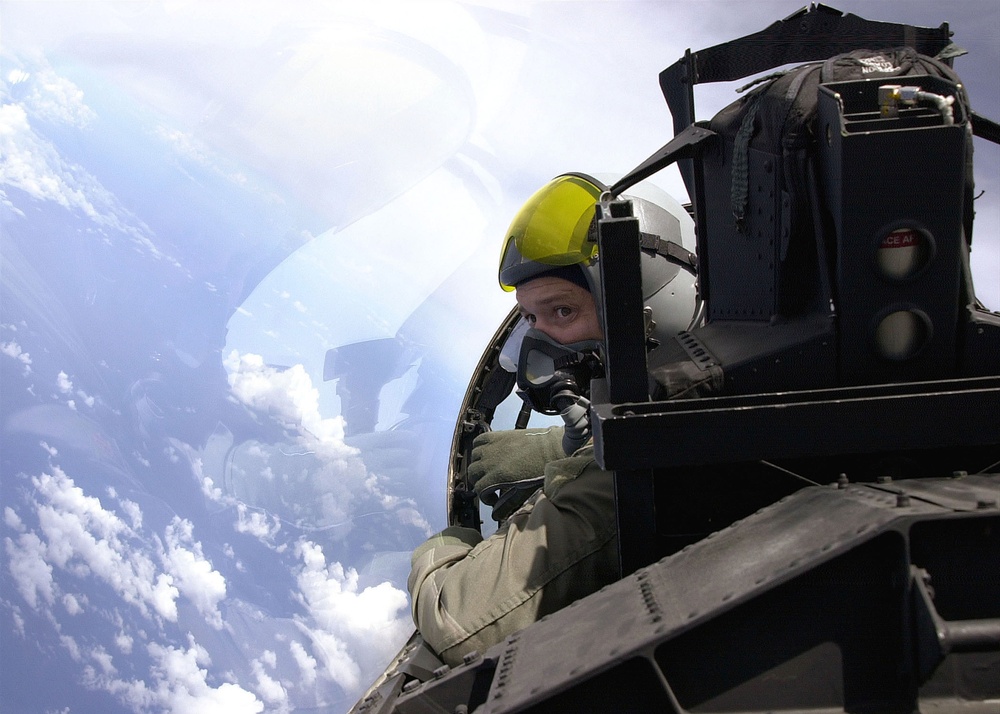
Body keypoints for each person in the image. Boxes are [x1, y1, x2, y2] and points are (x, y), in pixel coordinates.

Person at [407, 174, 698, 666]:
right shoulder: (691, 389)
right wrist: (563, 448)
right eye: (529, 319)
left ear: (648, 314)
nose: (537, 343)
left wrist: (447, 545)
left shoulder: (648, 454)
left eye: (562, 311)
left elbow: (455, 618)